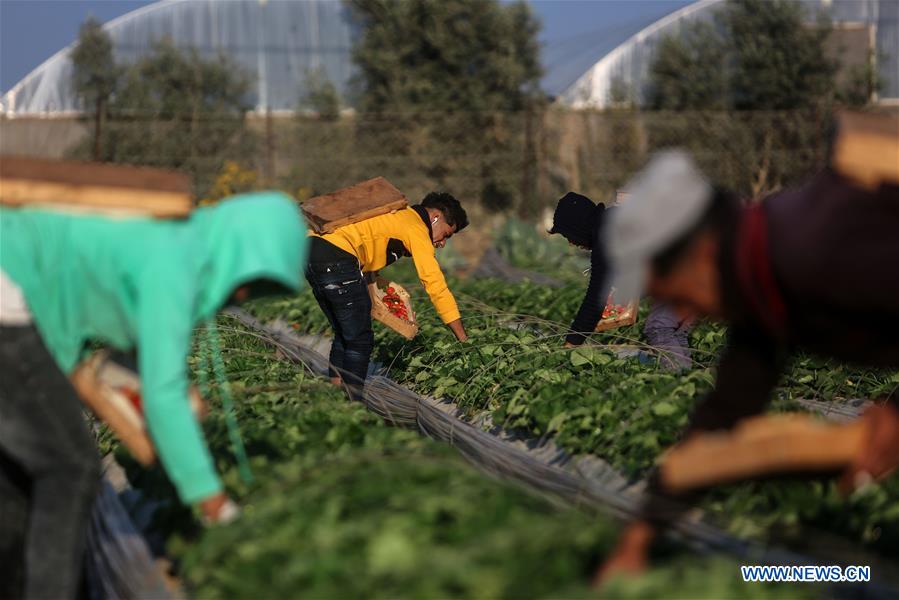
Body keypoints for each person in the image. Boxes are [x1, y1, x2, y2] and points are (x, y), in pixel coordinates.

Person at [595, 149, 899, 580]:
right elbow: (722, 417)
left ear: (701, 254)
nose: (678, 309)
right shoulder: (761, 283)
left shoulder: (814, 251)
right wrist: (638, 538)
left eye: (673, 294)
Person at [0, 192, 307, 599]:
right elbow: (162, 393)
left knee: (22, 465)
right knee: (71, 469)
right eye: (251, 281)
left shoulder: (181, 242)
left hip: (18, 285)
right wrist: (212, 501)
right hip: (11, 290)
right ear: (240, 250)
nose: (245, 296)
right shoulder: (177, 260)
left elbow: (101, 316)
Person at [306, 191, 469, 399]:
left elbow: (366, 245)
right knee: (359, 340)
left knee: (345, 334)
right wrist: (462, 338)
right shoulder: (415, 226)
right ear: (435, 217)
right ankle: (350, 404)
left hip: (312, 251)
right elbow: (434, 283)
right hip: (337, 257)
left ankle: (335, 397)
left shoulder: (396, 215)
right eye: (446, 234)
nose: (442, 243)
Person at [549, 192, 694, 363]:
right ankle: (688, 380)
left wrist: (571, 344)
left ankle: (679, 380)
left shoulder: (606, 235)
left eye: (568, 236)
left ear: (578, 226)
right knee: (674, 330)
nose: (571, 243)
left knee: (660, 328)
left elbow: (595, 298)